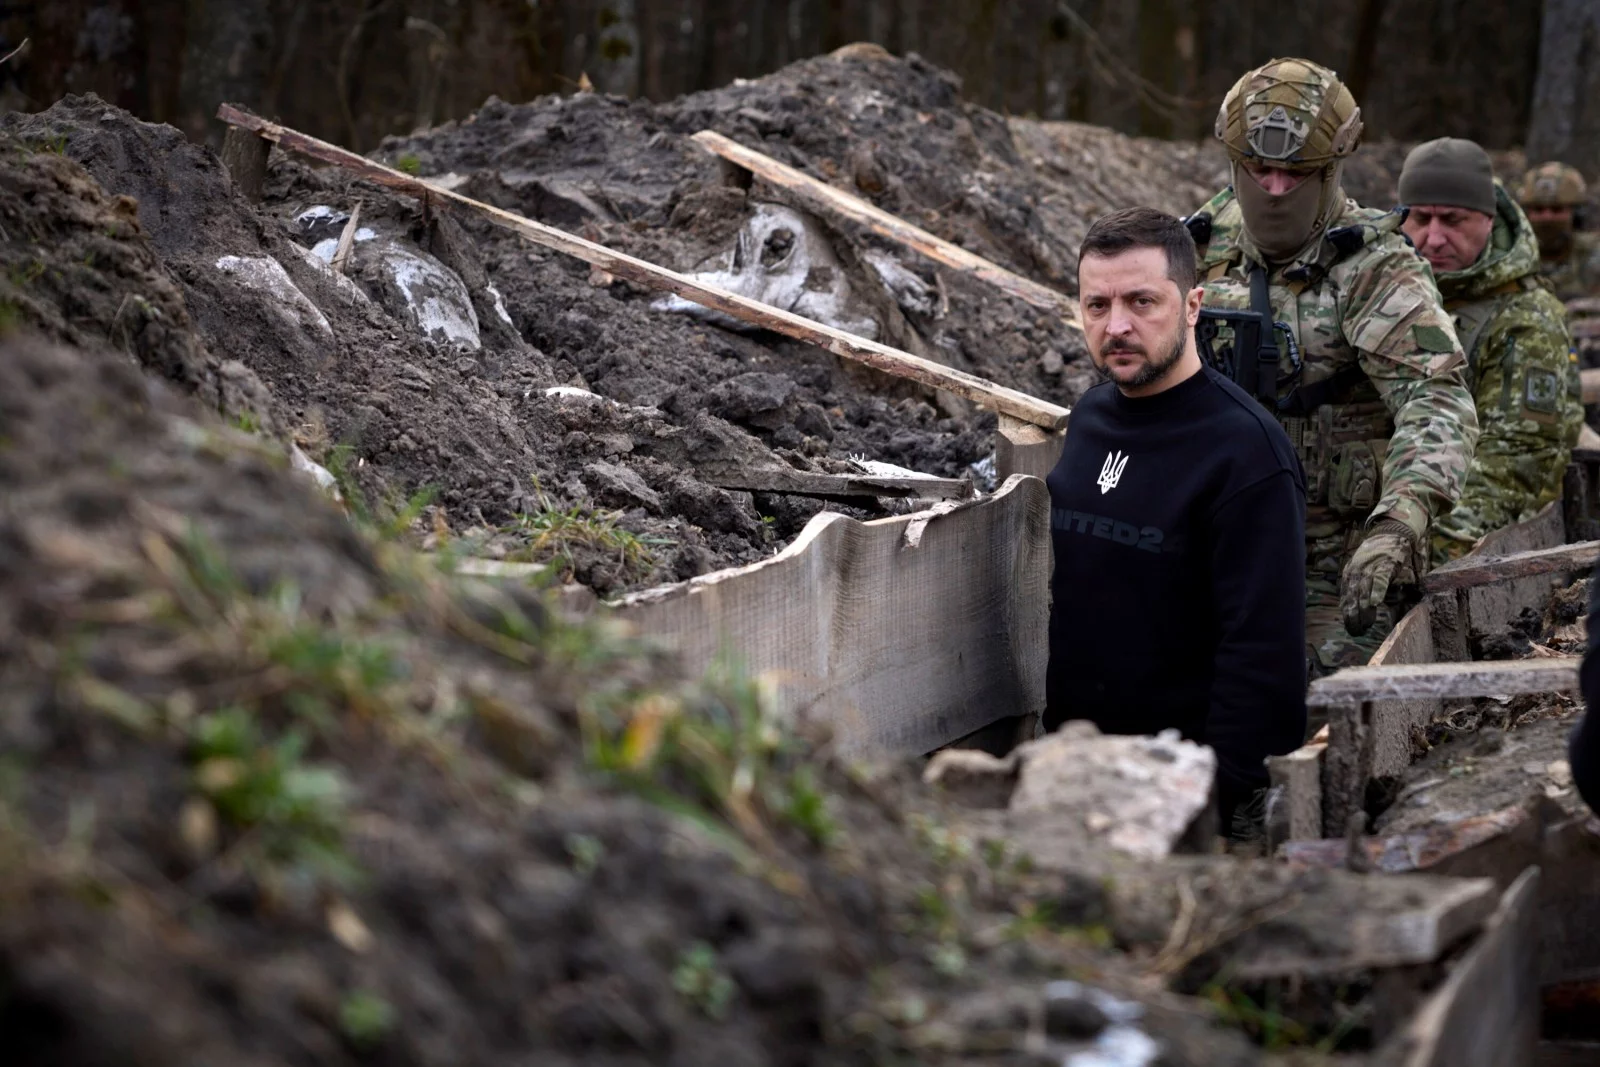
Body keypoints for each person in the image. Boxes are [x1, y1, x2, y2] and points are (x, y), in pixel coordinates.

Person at [1186, 58, 1479, 677]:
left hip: (1334, 560)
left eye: (1295, 174)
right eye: (1258, 170)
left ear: (1330, 170)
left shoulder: (1374, 267)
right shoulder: (1202, 245)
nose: (1273, 189)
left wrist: (1398, 524)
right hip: (1214, 538)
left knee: (1311, 704)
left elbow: (1436, 399)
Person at [1043, 206, 1307, 833]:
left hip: (1181, 793)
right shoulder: (1089, 419)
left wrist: (1211, 799)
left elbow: (1264, 651)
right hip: (1075, 771)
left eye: (1142, 302)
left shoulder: (1245, 453)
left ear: (1193, 306)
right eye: (1097, 306)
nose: (1117, 326)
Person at [1397, 139, 1582, 563]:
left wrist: (1419, 555)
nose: (1435, 237)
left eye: (1453, 220)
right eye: (1420, 219)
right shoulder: (1383, 294)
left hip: (1465, 542)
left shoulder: (1526, 318)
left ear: (1487, 219)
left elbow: (1516, 466)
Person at [1515, 162, 1600, 304]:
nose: (1547, 217)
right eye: (1538, 209)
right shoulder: (1511, 259)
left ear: (1577, 215)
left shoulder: (1593, 256)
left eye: (1557, 210)